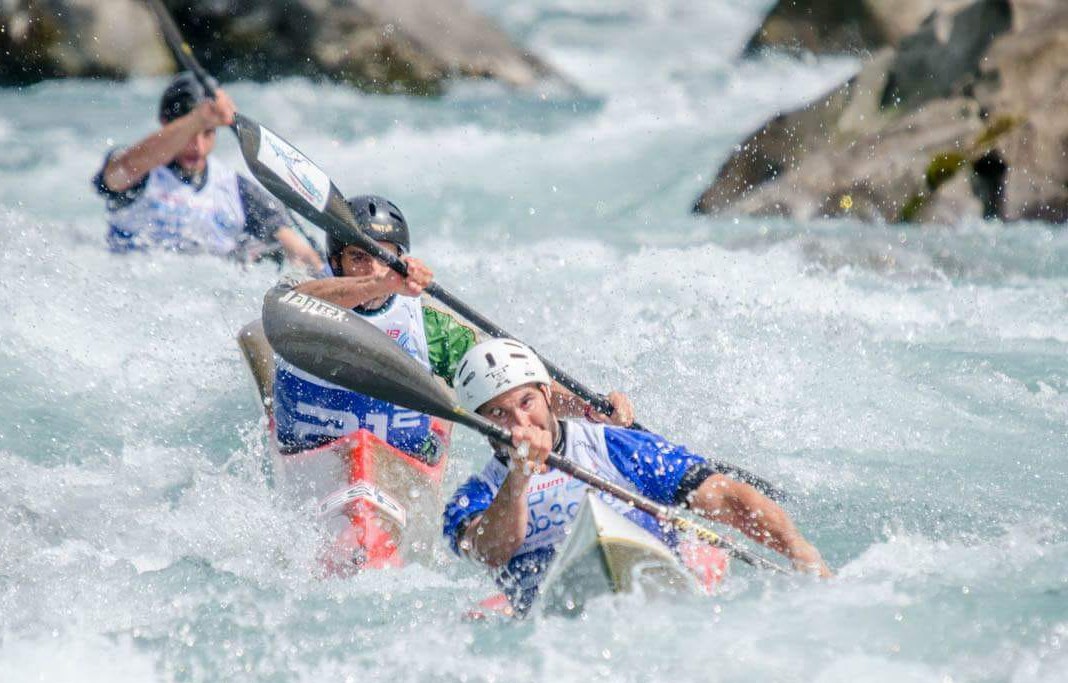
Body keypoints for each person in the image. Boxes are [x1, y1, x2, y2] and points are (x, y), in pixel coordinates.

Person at [443, 338, 831, 614]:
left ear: (547, 394)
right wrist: (518, 478)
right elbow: (491, 552)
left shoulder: (615, 446)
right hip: (548, 618)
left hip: (660, 586)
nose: (519, 422)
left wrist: (798, 549)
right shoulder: (476, 495)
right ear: (479, 424)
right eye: (497, 414)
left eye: (526, 402)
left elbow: (723, 496)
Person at [271, 195, 635, 461]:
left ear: (402, 259)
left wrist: (589, 408)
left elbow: (507, 384)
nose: (374, 269)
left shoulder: (430, 326)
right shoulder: (305, 304)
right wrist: (380, 285)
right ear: (335, 263)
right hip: (311, 452)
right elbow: (291, 303)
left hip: (401, 460)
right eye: (359, 258)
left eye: (385, 258)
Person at [92, 72, 323, 270]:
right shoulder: (139, 170)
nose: (199, 147)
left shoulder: (235, 188)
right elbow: (122, 171)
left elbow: (298, 251)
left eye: (208, 133)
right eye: (191, 134)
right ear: (166, 123)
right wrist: (199, 119)